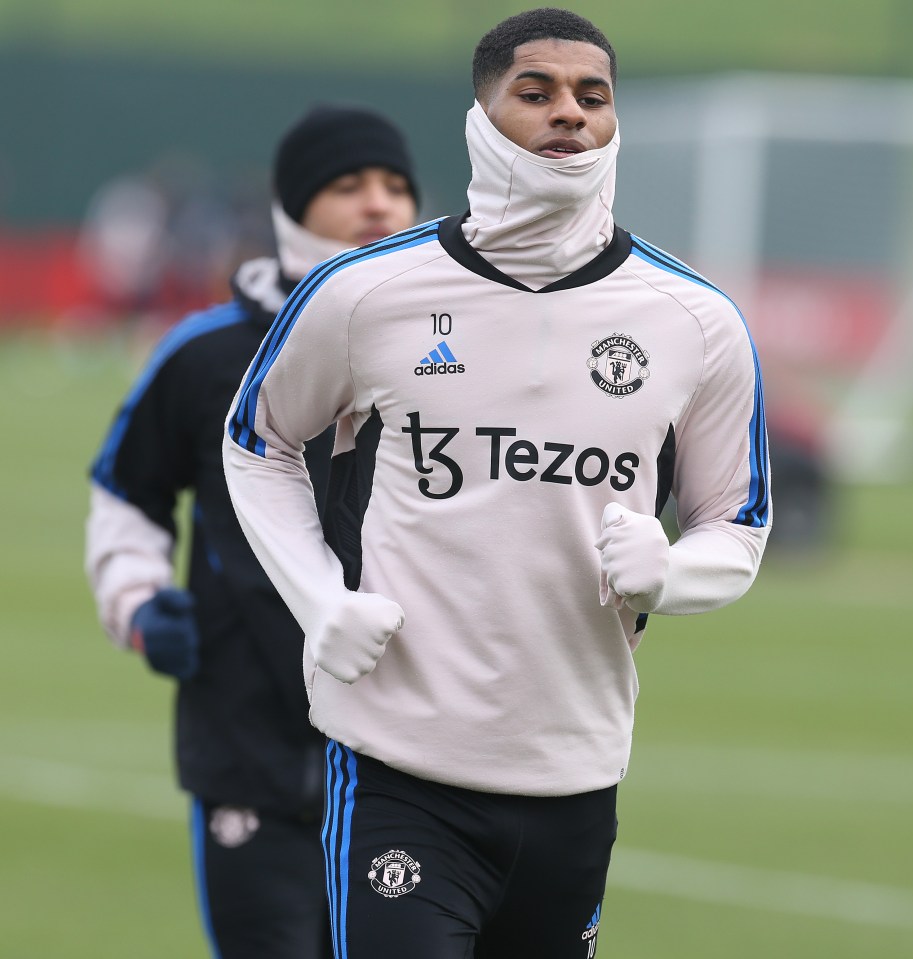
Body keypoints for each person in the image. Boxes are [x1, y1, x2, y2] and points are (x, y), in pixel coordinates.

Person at [223, 9, 772, 959]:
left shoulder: (697, 319)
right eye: (538, 91)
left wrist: (671, 571)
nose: (569, 112)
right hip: (401, 767)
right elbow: (256, 443)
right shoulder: (366, 291)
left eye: (591, 96)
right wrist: (319, 598)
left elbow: (739, 521)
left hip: (578, 778)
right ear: (482, 116)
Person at [85, 104, 419, 959]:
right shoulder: (202, 354)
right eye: (348, 185)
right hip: (247, 741)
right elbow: (127, 490)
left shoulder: (454, 351)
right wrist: (138, 600)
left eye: (396, 186)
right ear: (290, 206)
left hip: (414, 755)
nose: (379, 204)